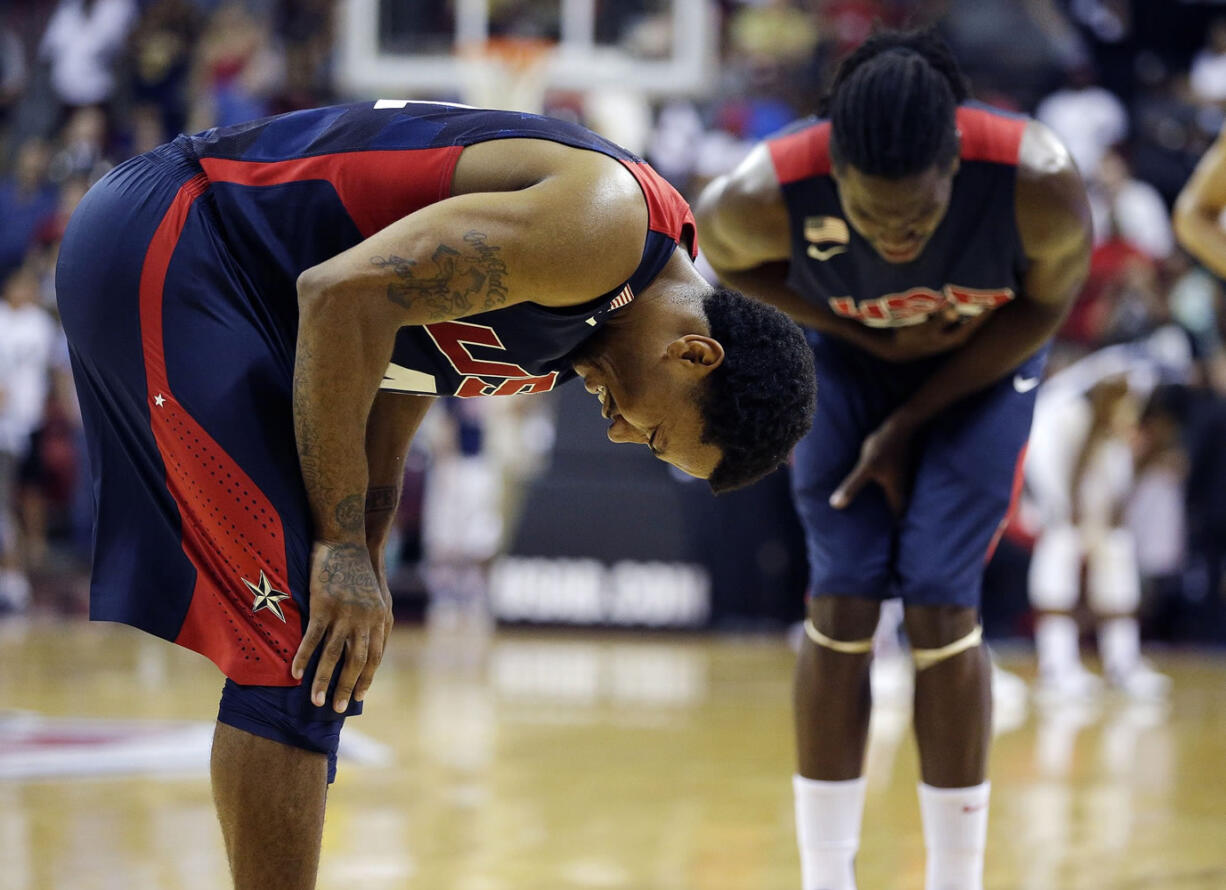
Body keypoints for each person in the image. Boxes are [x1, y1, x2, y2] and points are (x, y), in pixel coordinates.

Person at [55, 99, 816, 890]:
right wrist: (341, 547)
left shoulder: (588, 329)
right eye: (658, 435)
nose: (625, 436)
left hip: (234, 287)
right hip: (185, 235)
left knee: (323, 647)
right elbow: (343, 295)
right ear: (694, 354)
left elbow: (408, 364)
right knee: (294, 654)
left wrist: (366, 553)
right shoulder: (603, 230)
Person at [695, 28, 1091, 890]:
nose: (898, 236)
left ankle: (957, 879)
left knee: (940, 602)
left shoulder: (1041, 183)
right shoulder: (760, 192)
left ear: (955, 163)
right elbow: (720, 262)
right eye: (873, 218)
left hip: (979, 375)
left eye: (918, 215)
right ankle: (825, 877)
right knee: (841, 595)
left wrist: (910, 418)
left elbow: (1044, 312)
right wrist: (844, 324)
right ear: (833, 172)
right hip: (843, 366)